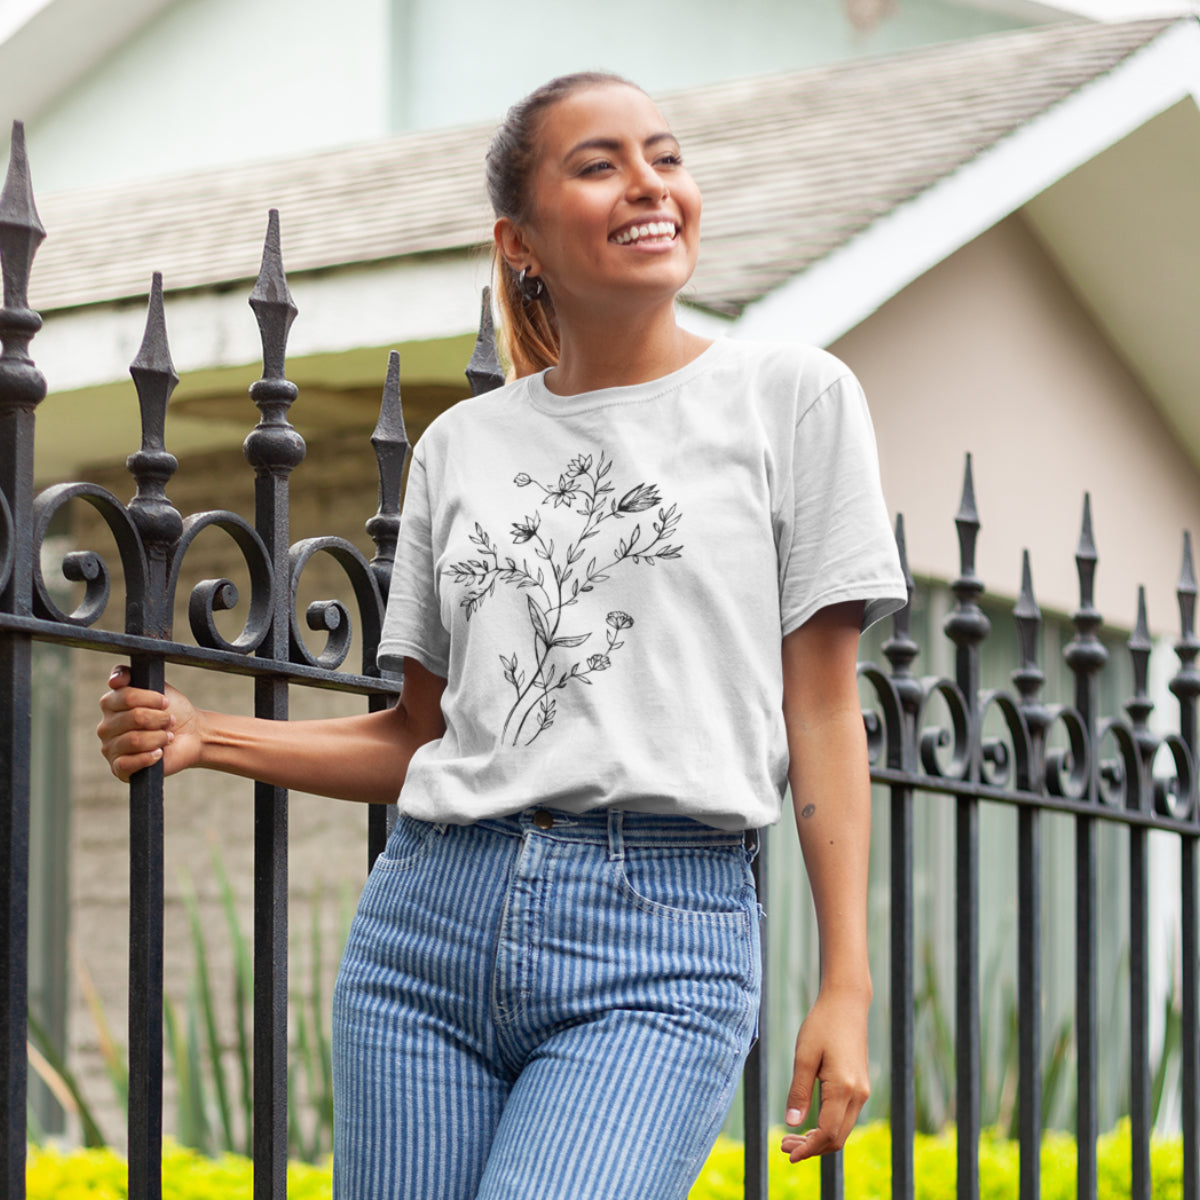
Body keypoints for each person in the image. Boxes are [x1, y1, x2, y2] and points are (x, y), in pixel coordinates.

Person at [98, 71, 907, 1200]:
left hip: (658, 943)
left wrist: (846, 984)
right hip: (427, 931)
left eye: (665, 157)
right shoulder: (460, 448)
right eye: (601, 164)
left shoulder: (792, 400)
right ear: (519, 241)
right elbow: (422, 736)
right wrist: (206, 736)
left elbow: (821, 709)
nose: (650, 185)